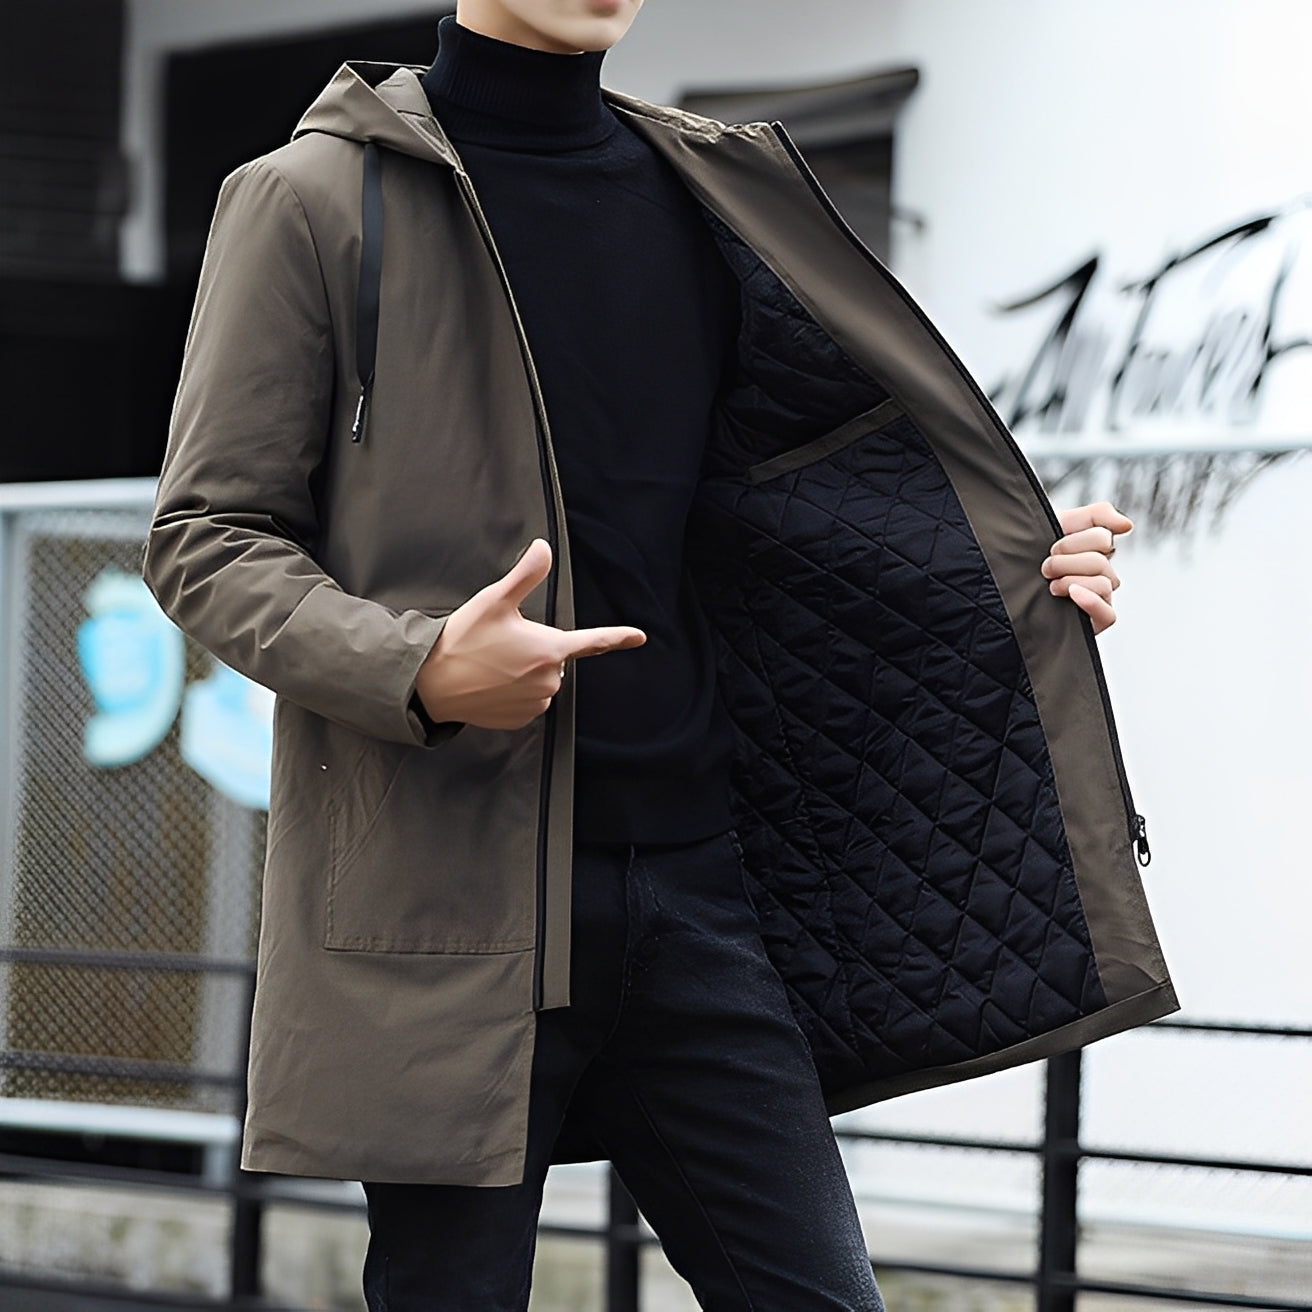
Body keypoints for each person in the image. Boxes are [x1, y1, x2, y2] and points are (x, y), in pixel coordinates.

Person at [143, 1, 1175, 1307]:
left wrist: (1005, 568)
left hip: (699, 886)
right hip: (444, 894)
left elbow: (774, 514)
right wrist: (419, 665)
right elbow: (206, 537)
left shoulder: (712, 187)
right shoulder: (310, 200)